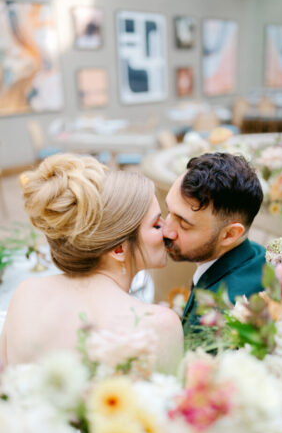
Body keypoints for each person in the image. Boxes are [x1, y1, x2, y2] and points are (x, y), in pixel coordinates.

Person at [0, 154, 183, 371]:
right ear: (118, 249)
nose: (168, 230)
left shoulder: (26, 294)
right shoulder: (159, 325)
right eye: (155, 224)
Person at [163, 152, 266, 335]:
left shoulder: (212, 320)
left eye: (184, 224)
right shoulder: (259, 255)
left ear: (230, 235)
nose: (166, 230)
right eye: (169, 212)